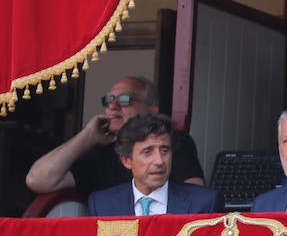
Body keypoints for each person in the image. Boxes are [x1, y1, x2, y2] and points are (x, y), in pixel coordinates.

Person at [25, 74, 205, 196]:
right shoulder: (100, 154)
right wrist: (88, 135)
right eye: (109, 100)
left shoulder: (174, 143)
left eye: (125, 100)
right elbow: (37, 180)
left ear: (152, 111)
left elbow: (196, 196)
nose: (113, 106)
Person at [87, 114, 223, 216]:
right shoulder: (102, 204)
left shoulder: (204, 203)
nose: (159, 161)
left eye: (165, 150)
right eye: (148, 152)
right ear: (126, 161)